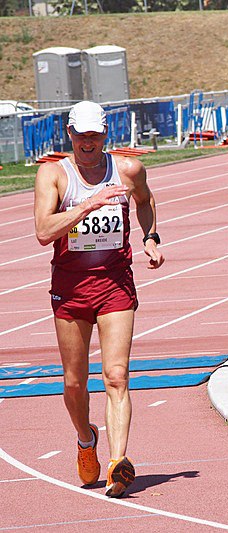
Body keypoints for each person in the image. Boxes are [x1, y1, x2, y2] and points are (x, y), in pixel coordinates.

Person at [33, 100, 165, 498]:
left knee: (117, 375)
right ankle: (86, 438)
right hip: (71, 289)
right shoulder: (54, 175)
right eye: (81, 135)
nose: (88, 143)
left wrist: (150, 238)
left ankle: (118, 463)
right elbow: (43, 231)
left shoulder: (127, 170)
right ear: (69, 134)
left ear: (106, 135)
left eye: (95, 135)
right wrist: (86, 205)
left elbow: (145, 201)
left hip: (115, 286)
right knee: (75, 382)